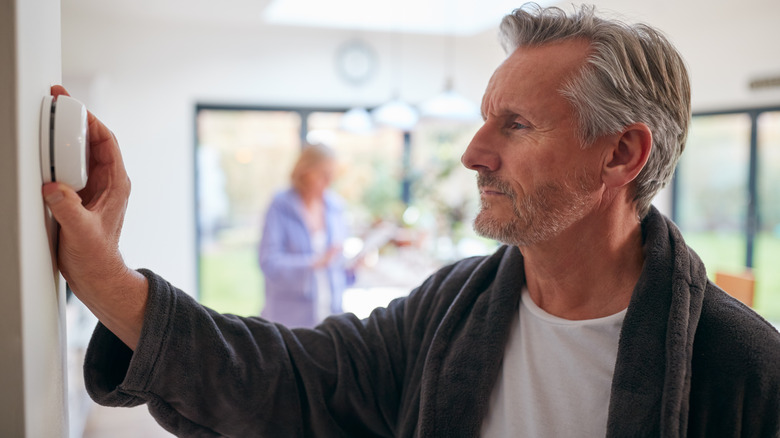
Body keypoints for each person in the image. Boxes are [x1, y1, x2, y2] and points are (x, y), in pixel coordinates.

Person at [42, 3, 780, 437]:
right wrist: (108, 280)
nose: (472, 153)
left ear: (621, 154)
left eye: (516, 125)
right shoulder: (449, 310)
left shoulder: (747, 370)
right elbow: (289, 379)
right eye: (485, 120)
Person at [258, 143, 354, 328]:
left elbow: (338, 267)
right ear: (305, 172)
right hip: (289, 320)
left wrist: (352, 266)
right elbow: (269, 263)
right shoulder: (280, 206)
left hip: (330, 315)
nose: (329, 181)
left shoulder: (335, 207)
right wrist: (314, 263)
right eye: (323, 174)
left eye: (332, 175)